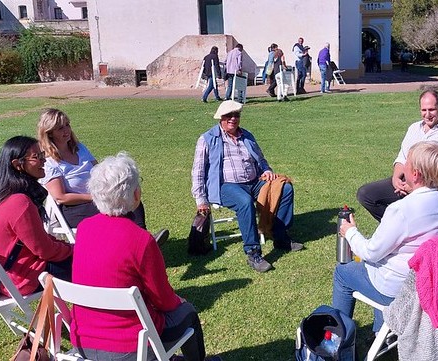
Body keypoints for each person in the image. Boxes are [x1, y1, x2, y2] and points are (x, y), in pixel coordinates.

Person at [70, 153, 221, 361]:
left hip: (83, 340)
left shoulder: (84, 229)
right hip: (131, 347)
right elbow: (165, 301)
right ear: (136, 195)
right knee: (188, 313)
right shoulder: (140, 240)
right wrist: (180, 300)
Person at [333, 141, 438, 334]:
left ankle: (337, 337)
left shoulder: (401, 210)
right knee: (380, 267)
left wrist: (349, 231)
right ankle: (380, 331)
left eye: (406, 164)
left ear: (415, 174)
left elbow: (371, 252)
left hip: (400, 290)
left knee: (344, 272)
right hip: (434, 284)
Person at [191, 100, 301, 272]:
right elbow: (198, 172)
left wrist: (266, 170)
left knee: (285, 188)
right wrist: (201, 199)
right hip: (225, 186)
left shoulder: (247, 136)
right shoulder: (207, 139)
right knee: (244, 202)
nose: (233, 119)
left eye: (237, 115)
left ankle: (280, 237)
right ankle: (253, 252)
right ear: (221, 117)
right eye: (229, 115)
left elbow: (262, 161)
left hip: (254, 182)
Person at [0, 136, 73, 296]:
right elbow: (46, 251)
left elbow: (39, 241)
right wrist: (73, 249)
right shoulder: (19, 202)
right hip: (23, 280)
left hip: (7, 275)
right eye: (37, 157)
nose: (44, 161)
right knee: (92, 262)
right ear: (18, 165)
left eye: (43, 155)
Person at [356, 89, 438, 222]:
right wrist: (396, 179)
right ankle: (396, 227)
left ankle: (410, 228)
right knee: (366, 195)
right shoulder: (414, 128)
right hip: (408, 181)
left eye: (432, 110)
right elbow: (402, 157)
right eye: (423, 110)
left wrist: (415, 187)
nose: (427, 114)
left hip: (437, 189)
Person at [37, 108, 151, 232]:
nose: (67, 130)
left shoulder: (79, 148)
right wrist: (94, 197)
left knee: (130, 196)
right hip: (74, 209)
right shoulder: (49, 162)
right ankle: (133, 240)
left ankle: (142, 235)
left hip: (97, 199)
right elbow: (61, 197)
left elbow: (99, 171)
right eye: (60, 128)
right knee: (116, 208)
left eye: (67, 125)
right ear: (49, 133)